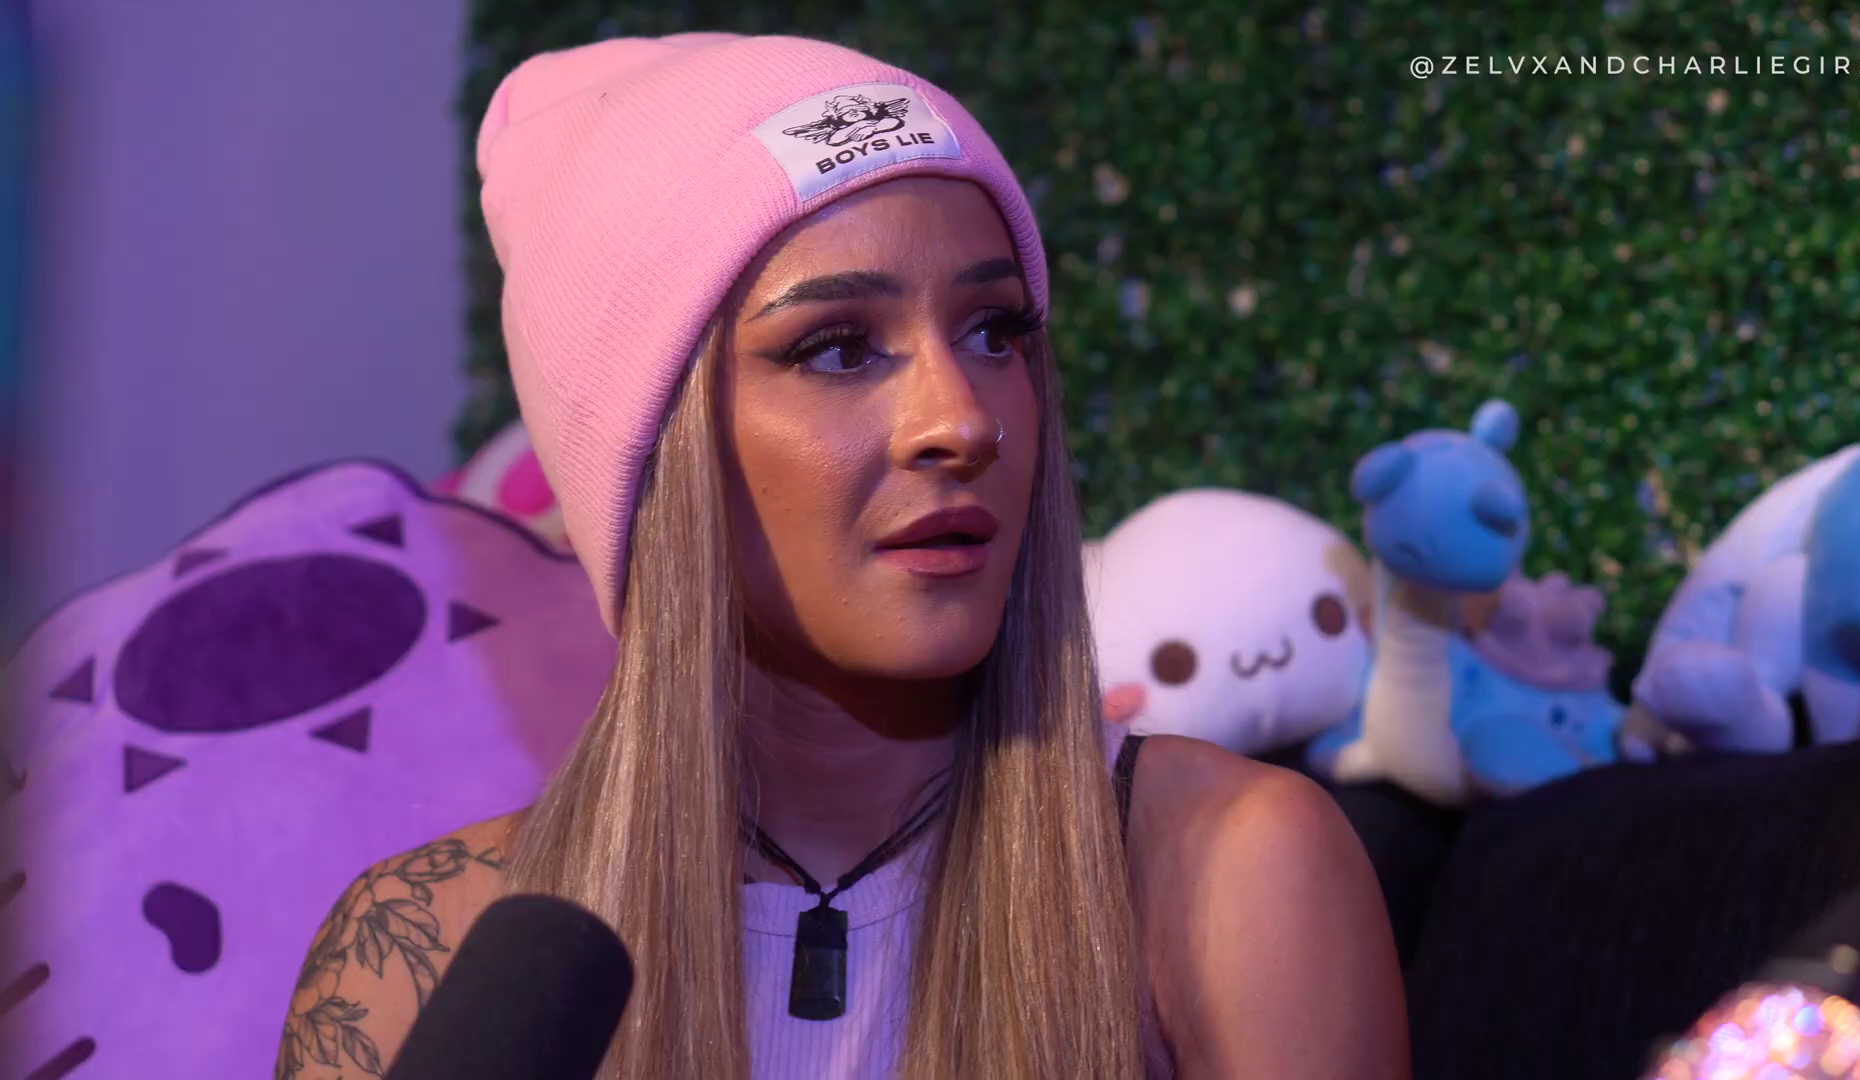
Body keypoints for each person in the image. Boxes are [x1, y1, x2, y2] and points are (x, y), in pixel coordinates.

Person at [274, 33, 1407, 1080]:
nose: (961, 420)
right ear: (649, 455)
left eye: (995, 331)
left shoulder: (1234, 873)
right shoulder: (416, 955)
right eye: (837, 348)